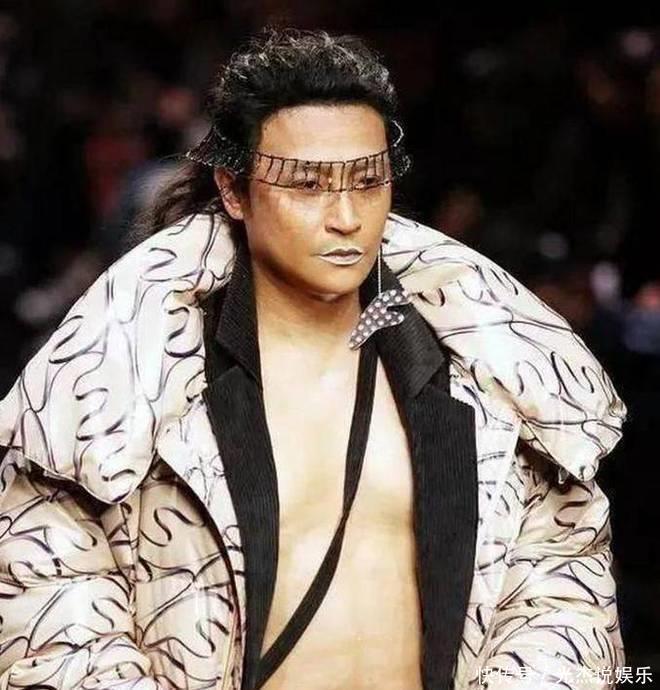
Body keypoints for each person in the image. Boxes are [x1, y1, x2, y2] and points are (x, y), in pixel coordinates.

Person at [0, 27, 627, 690]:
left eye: (368, 181)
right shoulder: (128, 382)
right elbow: (49, 595)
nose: (346, 217)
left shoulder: (490, 370)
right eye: (307, 185)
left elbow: (561, 582)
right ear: (233, 190)